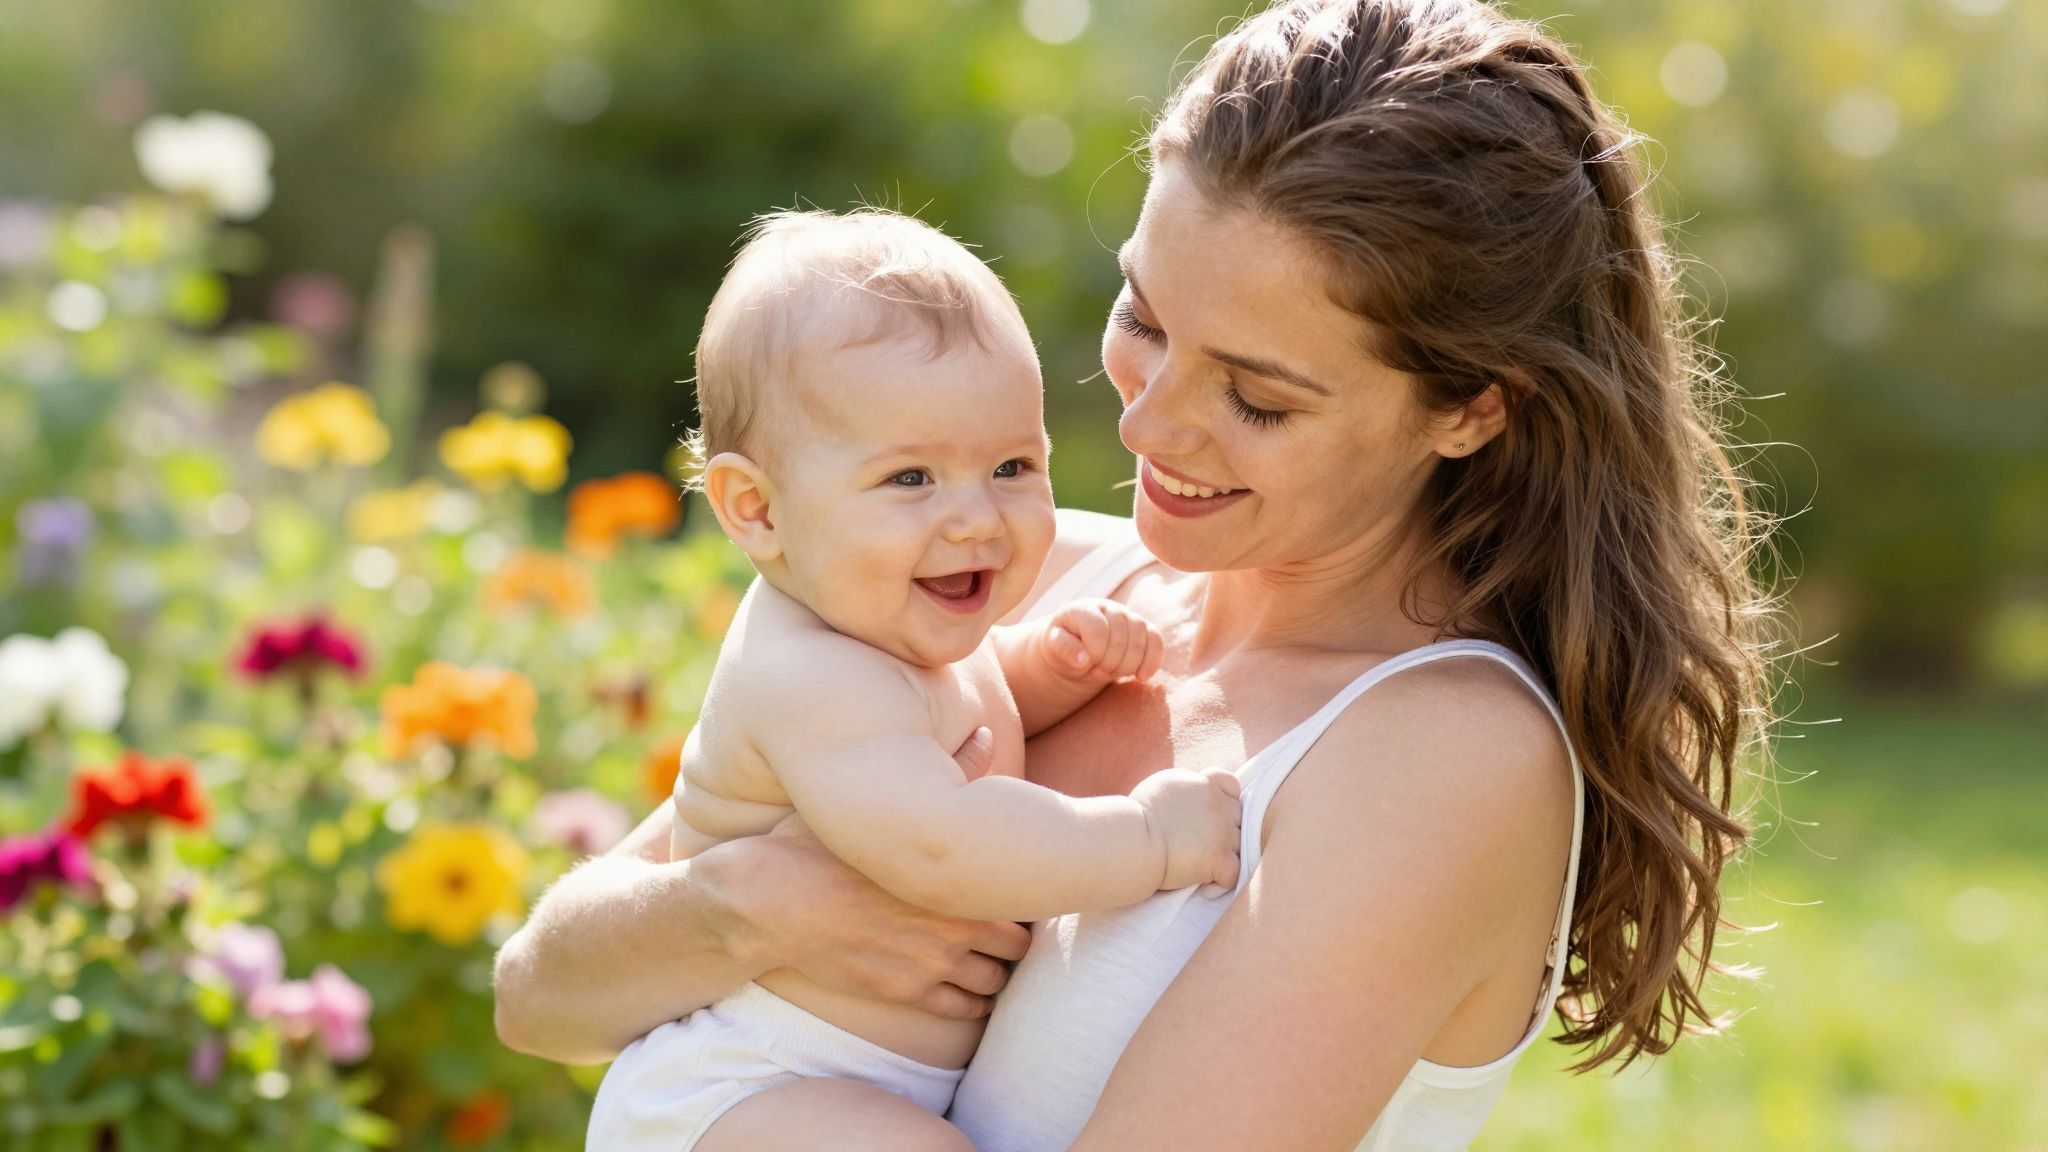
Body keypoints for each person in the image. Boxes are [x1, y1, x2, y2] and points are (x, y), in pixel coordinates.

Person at [494, 1, 1775, 1147]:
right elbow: (540, 998)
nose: (1148, 422)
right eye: (1144, 320)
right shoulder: (1015, 579)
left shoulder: (1435, 756)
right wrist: (754, 905)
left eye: (1256, 398)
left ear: (1472, 408)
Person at [583, 208, 1243, 1151]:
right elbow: (943, 846)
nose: (976, 518)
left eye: (1011, 466)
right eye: (911, 479)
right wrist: (1150, 840)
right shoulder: (808, 674)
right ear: (757, 509)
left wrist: (1051, 665)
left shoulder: (890, 623)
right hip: (749, 1084)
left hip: (835, 1080)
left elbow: (974, 708)